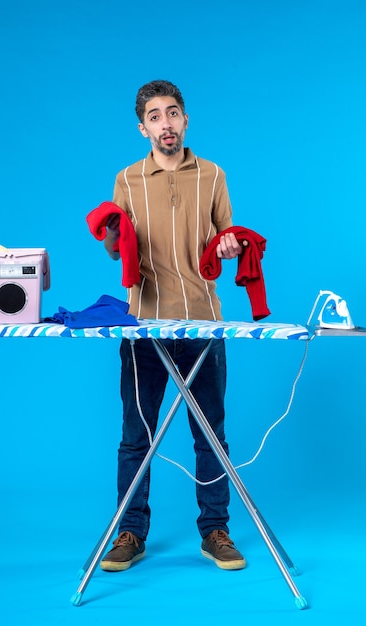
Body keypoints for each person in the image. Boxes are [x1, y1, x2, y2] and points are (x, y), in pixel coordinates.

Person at [100, 80, 246, 572]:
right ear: (143, 128)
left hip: (204, 322)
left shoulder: (213, 175)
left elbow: (229, 237)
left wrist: (230, 246)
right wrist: (113, 234)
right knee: (135, 435)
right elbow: (114, 247)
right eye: (156, 116)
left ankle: (216, 531)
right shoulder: (126, 179)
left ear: (186, 121)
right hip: (144, 325)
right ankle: (129, 531)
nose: (166, 123)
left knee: (210, 433)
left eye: (174, 113)